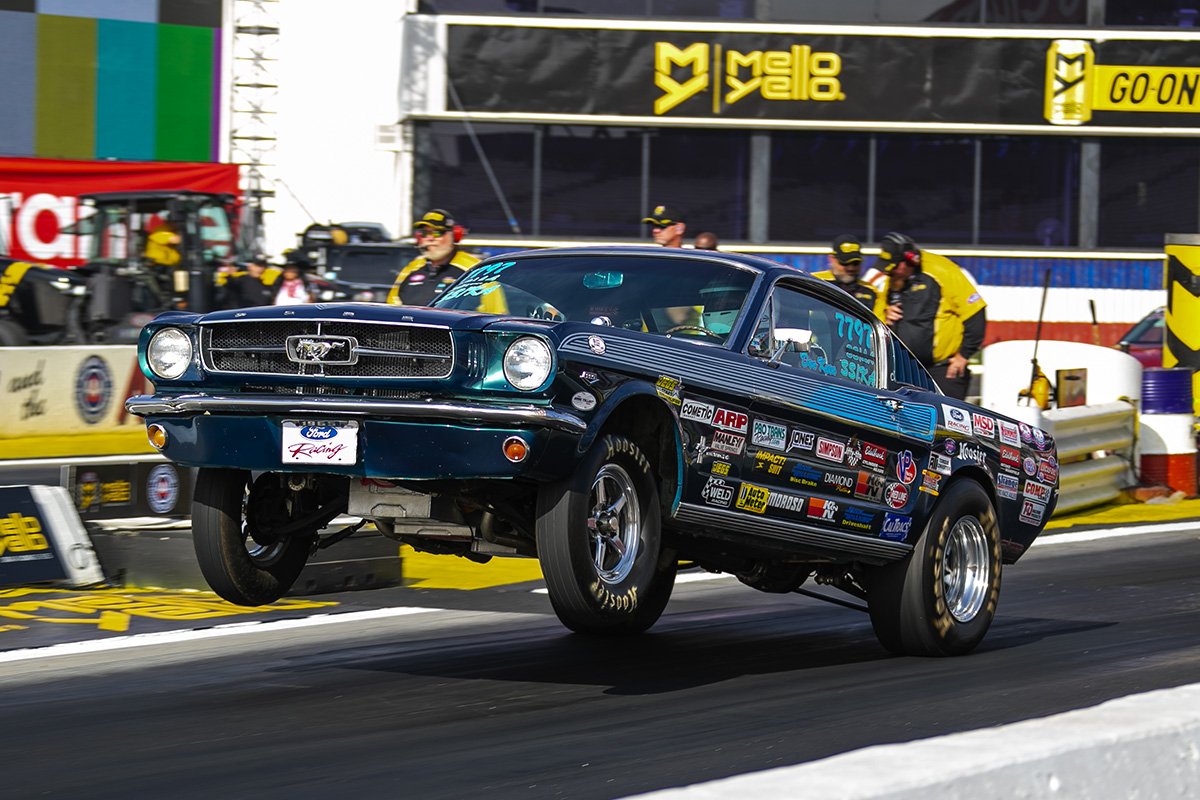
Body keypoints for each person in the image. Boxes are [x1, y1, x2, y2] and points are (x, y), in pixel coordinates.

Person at [876, 232, 987, 401]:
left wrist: (964, 355)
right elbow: (878, 315)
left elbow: (975, 312)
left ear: (911, 260)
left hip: (942, 371)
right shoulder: (894, 277)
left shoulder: (943, 271)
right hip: (903, 370)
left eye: (894, 267)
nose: (888, 272)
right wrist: (886, 312)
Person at [387, 209, 504, 312]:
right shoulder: (412, 268)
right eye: (425, 233)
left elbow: (495, 314)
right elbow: (392, 307)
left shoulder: (476, 269)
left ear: (455, 235)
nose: (430, 238)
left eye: (437, 233)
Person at [811, 234, 887, 321]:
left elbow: (879, 324)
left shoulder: (873, 292)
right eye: (845, 263)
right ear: (831, 259)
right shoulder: (814, 281)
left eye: (855, 263)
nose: (851, 268)